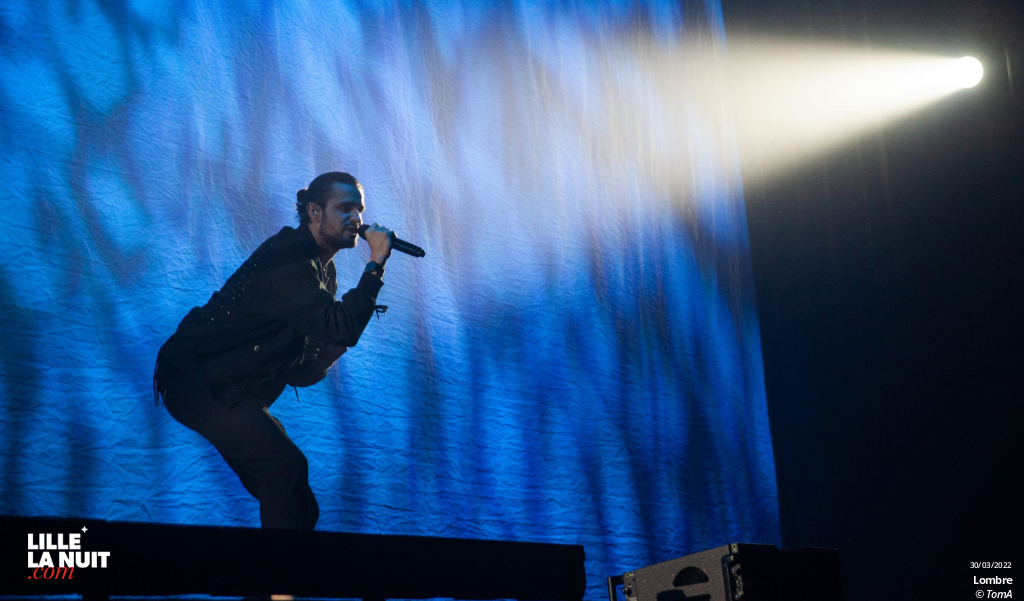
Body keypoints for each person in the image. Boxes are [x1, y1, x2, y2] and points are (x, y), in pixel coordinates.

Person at [154, 171, 393, 530]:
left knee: (296, 502)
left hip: (232, 387)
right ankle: (274, 581)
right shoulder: (288, 255)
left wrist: (327, 355)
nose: (357, 219)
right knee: (285, 468)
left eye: (359, 210)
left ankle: (272, 582)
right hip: (198, 378)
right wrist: (375, 265)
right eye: (344, 208)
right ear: (314, 212)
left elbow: (298, 370)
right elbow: (340, 324)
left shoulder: (323, 275)